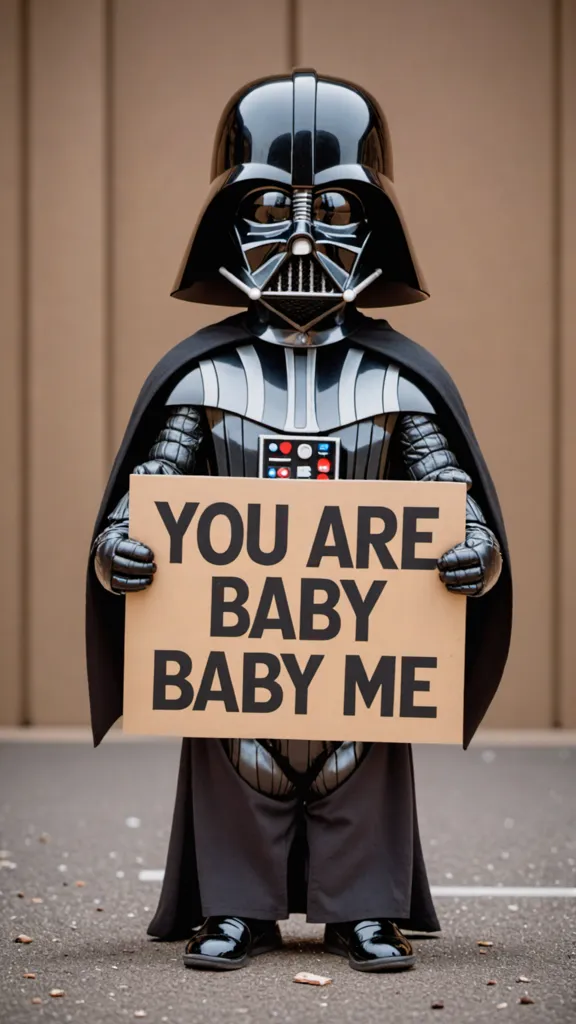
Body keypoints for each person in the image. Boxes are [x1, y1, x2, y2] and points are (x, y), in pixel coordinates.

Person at [86, 70, 512, 972]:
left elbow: (450, 490)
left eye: (340, 209)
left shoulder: (400, 384)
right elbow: (151, 483)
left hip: (365, 645)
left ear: (379, 226)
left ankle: (364, 909)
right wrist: (119, 544)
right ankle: (236, 908)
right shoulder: (200, 382)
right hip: (233, 642)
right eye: (276, 204)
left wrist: (475, 549)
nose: (309, 235)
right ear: (229, 220)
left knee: (367, 751)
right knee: (231, 745)